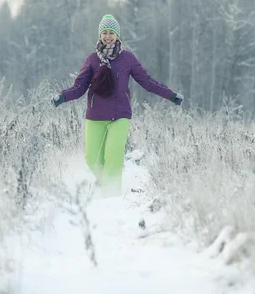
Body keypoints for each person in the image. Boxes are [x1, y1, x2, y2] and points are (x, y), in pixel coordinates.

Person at [52, 14, 184, 197]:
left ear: (117, 35)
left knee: (113, 157)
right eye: (104, 32)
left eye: (111, 33)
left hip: (119, 115)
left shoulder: (127, 59)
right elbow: (79, 87)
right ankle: (107, 186)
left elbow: (147, 82)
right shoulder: (92, 60)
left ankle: (111, 198)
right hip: (95, 116)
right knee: (92, 160)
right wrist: (62, 97)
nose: (108, 36)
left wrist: (171, 95)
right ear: (99, 35)